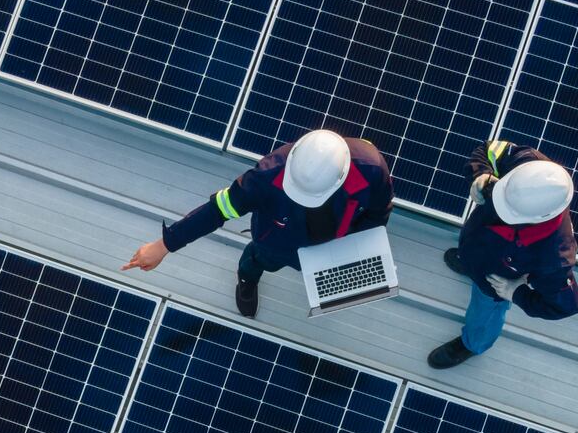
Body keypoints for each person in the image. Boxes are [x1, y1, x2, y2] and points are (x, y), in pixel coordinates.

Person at [122, 129, 394, 317]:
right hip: (275, 241)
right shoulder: (264, 177)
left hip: (332, 246)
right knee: (258, 259)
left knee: (318, 276)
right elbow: (217, 211)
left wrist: (356, 250)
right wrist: (164, 245)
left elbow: (379, 211)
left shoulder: (371, 167)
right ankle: (247, 279)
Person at [429, 139, 578, 368]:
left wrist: (516, 292)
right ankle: (470, 266)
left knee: (485, 312)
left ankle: (474, 343)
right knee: (473, 261)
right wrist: (481, 174)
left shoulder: (554, 257)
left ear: (535, 218)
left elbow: (567, 305)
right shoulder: (530, 165)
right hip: (476, 247)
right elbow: (490, 149)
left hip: (493, 284)